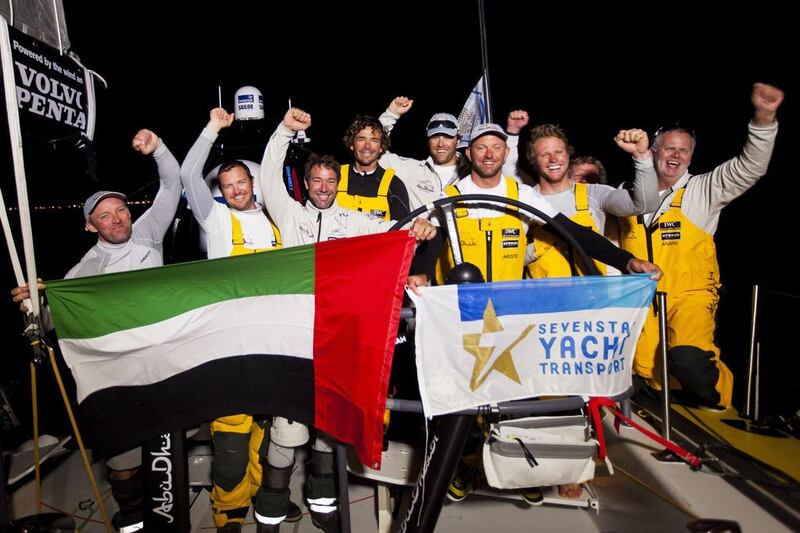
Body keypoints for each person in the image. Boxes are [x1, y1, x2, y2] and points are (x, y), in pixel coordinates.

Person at [255, 108, 435, 532]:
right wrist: (284, 130)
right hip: (295, 338)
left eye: (329, 181)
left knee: (328, 432)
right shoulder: (290, 214)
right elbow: (267, 171)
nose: (322, 188)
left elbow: (394, 230)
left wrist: (421, 229)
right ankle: (270, 513)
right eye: (316, 181)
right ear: (307, 184)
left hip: (336, 339)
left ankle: (322, 506)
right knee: (286, 433)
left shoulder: (353, 222)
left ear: (338, 184)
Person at [12, 129, 182, 532]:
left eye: (120, 210)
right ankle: (131, 519)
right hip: (117, 375)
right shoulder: (82, 272)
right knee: (123, 462)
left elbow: (172, 182)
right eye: (104, 215)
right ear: (91, 227)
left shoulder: (148, 234)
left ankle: (169, 514)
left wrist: (156, 148)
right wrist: (31, 306)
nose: (117, 219)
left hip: (162, 364)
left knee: (164, 450)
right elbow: (53, 322)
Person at [618, 82, 784, 409]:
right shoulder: (628, 193)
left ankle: (720, 402)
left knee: (688, 359)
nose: (676, 155)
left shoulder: (702, 190)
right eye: (668, 148)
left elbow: (750, 167)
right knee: (643, 368)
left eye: (683, 150)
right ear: (652, 152)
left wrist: (764, 119)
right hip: (643, 302)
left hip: (689, 296)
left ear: (691, 156)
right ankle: (669, 410)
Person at [181, 107, 304, 533]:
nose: (235, 191)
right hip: (229, 347)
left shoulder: (275, 223)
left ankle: (263, 498)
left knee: (265, 432)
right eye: (228, 186)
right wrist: (213, 127)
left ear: (253, 184)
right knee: (231, 441)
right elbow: (187, 172)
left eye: (241, 183)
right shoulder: (214, 221)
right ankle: (228, 511)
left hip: (270, 345)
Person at [523, 122, 659, 277]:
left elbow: (646, 205)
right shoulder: (525, 201)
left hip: (594, 298)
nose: (553, 159)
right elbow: (511, 257)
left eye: (558, 152)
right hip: (544, 299)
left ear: (568, 154)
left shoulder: (594, 194)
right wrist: (540, 246)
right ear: (533, 160)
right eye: (544, 154)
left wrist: (642, 157)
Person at [377, 97, 523, 209]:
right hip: (423, 246)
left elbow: (506, 166)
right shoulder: (410, 169)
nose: (441, 143)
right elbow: (375, 152)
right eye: (435, 137)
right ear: (428, 140)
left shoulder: (476, 172)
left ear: (458, 140)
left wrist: (512, 134)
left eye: (448, 137)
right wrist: (391, 114)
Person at [338, 114, 410, 221]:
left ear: (381, 147)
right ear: (351, 144)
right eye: (361, 139)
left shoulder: (394, 185)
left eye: (374, 140)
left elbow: (403, 230)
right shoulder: (335, 177)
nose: (367, 146)